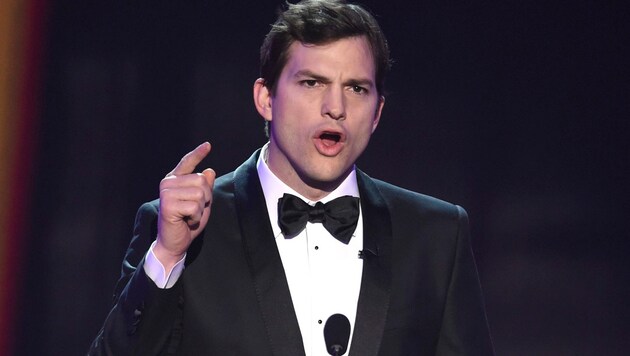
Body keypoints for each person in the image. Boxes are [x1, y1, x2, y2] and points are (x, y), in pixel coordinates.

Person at [89, 0, 493, 355]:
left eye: (355, 88)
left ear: (377, 113)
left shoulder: (435, 236)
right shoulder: (187, 230)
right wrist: (166, 258)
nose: (335, 107)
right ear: (266, 98)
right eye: (312, 82)